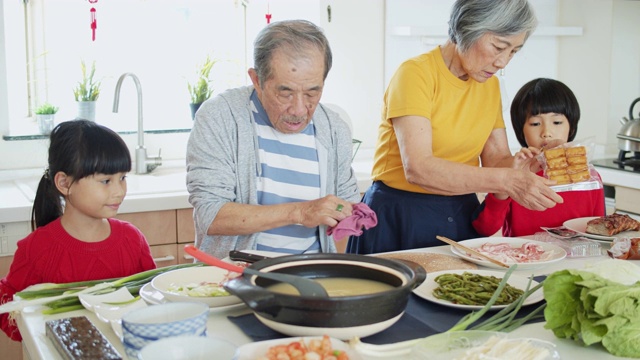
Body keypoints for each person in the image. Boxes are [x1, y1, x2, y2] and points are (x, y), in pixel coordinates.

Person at [347, 0, 565, 255]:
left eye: (514, 51)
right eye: (498, 47)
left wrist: (530, 165)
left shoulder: (490, 86)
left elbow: (497, 160)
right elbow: (419, 169)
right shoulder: (415, 74)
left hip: (461, 213)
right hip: (400, 214)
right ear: (467, 28)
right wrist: (508, 180)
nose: (503, 62)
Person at [186, 20, 361, 259]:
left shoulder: (333, 128)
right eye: (285, 93)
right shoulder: (220, 117)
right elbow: (211, 214)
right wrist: (299, 212)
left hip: (311, 275)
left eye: (312, 92)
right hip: (233, 278)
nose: (300, 110)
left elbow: (345, 206)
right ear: (257, 80)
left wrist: (352, 212)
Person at [0, 120, 156, 341]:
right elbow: (7, 304)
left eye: (122, 178)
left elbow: (150, 298)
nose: (119, 191)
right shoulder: (36, 249)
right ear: (64, 183)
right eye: (105, 180)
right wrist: (35, 336)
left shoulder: (132, 239)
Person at [472, 78, 605, 237]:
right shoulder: (516, 174)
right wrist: (505, 187)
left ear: (571, 127)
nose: (546, 132)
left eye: (557, 122)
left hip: (575, 261)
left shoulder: (589, 177)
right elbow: (485, 228)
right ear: (521, 131)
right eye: (535, 124)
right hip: (525, 257)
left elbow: (601, 231)